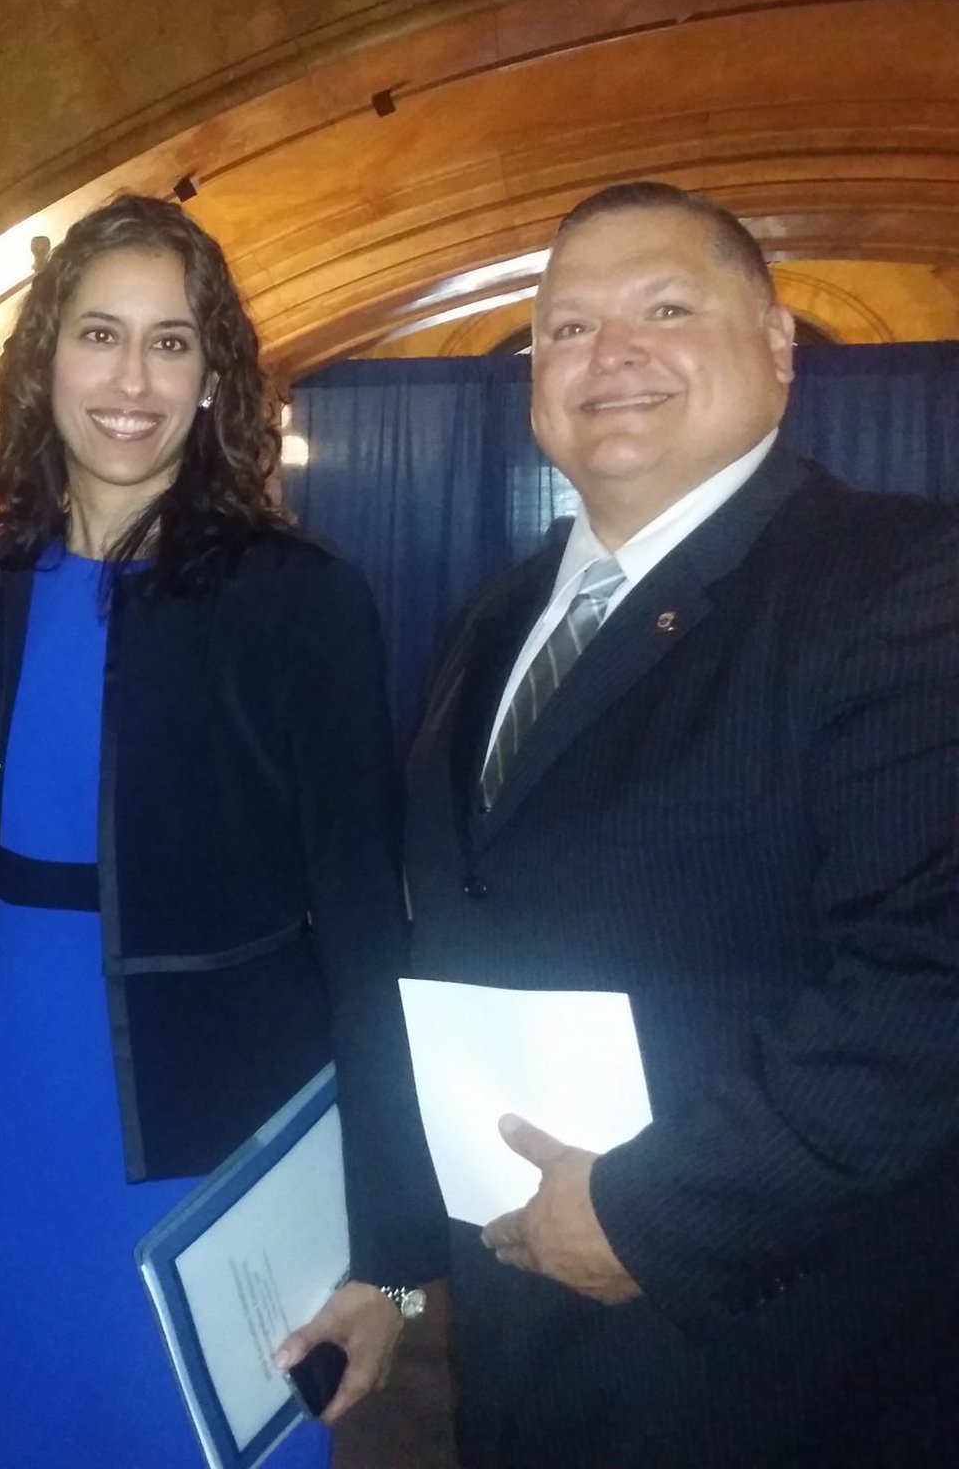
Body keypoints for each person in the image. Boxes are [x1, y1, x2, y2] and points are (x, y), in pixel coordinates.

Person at [404, 181, 959, 1467]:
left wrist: (654, 1215)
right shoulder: (493, 618)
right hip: (516, 1325)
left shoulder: (902, 581)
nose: (609, 355)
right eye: (566, 328)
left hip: (763, 1351)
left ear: (775, 346)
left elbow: (928, 983)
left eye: (663, 310)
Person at [0, 194, 441, 1468]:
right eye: (98, 335)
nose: (131, 381)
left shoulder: (297, 600)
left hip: (217, 1130)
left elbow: (367, 931)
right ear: (44, 362)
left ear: (213, 378)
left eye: (170, 342)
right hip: (4, 1115)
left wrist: (392, 1255)